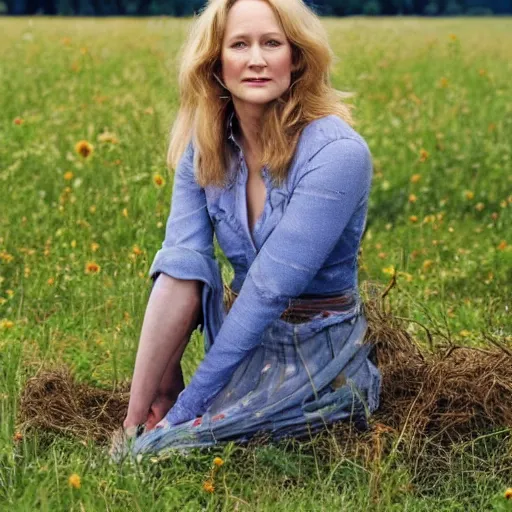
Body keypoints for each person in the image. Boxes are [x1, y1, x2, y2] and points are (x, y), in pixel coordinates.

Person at [112, 0, 381, 459]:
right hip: (241, 340)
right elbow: (182, 266)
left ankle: (189, 422)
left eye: (271, 43)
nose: (256, 59)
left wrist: (184, 411)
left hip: (318, 352)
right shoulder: (206, 145)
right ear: (216, 62)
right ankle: (139, 419)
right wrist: (148, 401)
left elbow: (267, 291)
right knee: (180, 265)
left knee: (172, 445)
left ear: (295, 58)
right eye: (240, 44)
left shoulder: (338, 153)